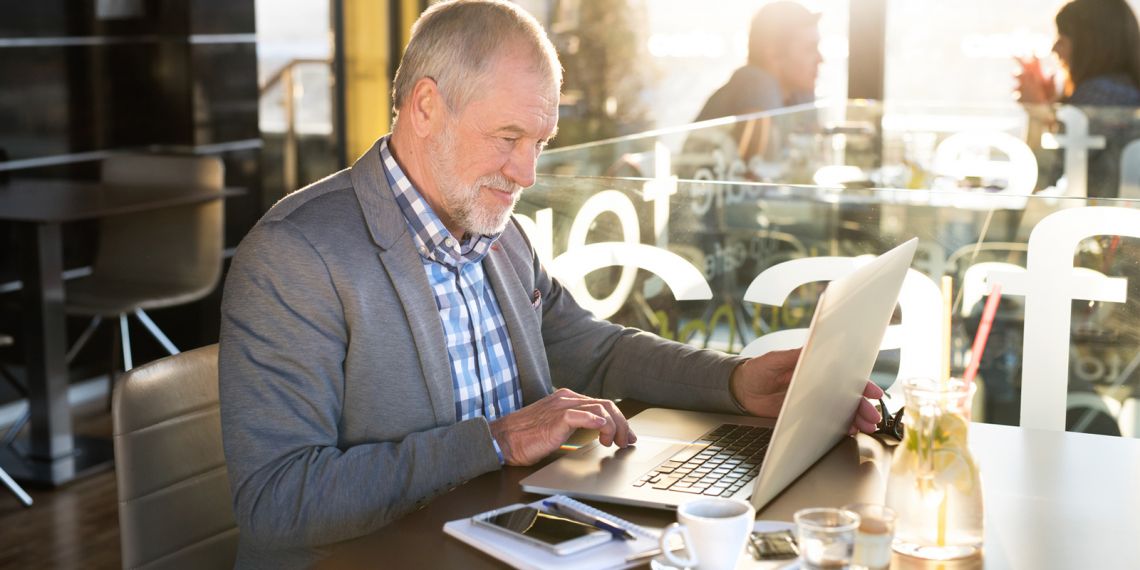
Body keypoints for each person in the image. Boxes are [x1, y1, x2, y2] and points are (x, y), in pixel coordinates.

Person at [218, 1, 883, 567]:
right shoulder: (296, 256)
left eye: (540, 141)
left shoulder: (499, 232)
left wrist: (736, 380)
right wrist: (495, 441)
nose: (527, 172)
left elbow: (596, 350)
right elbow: (278, 503)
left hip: (523, 539)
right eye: (508, 136)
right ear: (426, 106)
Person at [1015, 0, 1140, 197]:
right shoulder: (1124, 91)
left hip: (1107, 223)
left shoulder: (1097, 95)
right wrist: (1053, 107)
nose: (1054, 48)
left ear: (1090, 45)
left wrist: (1038, 111)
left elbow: (1040, 177)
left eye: (1062, 38)